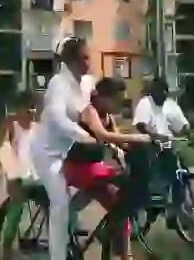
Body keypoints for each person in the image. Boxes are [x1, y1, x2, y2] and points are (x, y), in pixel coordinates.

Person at [31, 37, 152, 260]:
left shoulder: (87, 89)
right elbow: (61, 118)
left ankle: (124, 253)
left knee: (119, 202)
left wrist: (120, 146)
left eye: (89, 57)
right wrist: (86, 135)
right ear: (69, 62)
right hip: (58, 157)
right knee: (61, 205)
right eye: (84, 58)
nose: (89, 63)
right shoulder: (61, 87)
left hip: (82, 158)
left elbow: (104, 123)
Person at [132, 78, 192, 225]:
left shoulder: (171, 105)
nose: (162, 95)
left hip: (167, 147)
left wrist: (190, 134)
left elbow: (181, 125)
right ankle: (151, 205)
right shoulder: (145, 103)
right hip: (148, 147)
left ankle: (176, 210)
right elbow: (142, 124)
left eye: (164, 92)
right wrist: (155, 135)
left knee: (181, 173)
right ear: (152, 91)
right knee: (155, 177)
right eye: (158, 91)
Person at [0, 89, 42, 259]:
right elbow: (2, 149)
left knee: (57, 204)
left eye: (34, 107)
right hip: (17, 178)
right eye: (28, 107)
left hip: (38, 178)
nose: (32, 111)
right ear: (18, 108)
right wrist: (13, 179)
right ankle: (6, 248)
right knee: (16, 209)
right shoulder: (11, 126)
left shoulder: (39, 129)